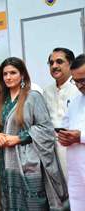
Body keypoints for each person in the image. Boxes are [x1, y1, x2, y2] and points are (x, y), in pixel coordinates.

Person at [0, 57, 68, 210]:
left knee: (33, 201)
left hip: (29, 159)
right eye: (5, 74)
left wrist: (19, 138)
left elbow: (45, 128)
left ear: (22, 75)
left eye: (13, 73)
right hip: (5, 159)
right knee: (10, 200)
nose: (8, 77)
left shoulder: (32, 97)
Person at [43, 47, 79, 177]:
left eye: (59, 61)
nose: (54, 66)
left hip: (75, 144)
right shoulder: (47, 91)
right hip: (52, 145)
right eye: (51, 63)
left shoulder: (79, 88)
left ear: (70, 64)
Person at [58, 54, 85, 211]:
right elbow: (65, 126)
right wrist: (64, 137)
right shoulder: (75, 101)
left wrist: (79, 136)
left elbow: (78, 134)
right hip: (77, 170)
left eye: (83, 80)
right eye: (76, 81)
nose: (80, 85)